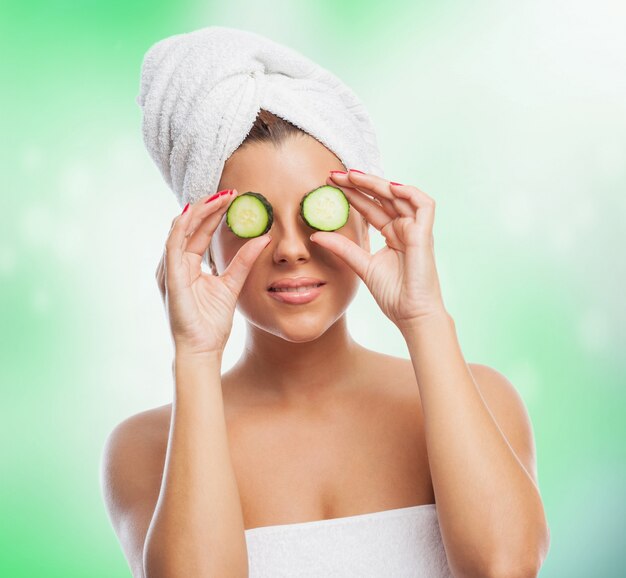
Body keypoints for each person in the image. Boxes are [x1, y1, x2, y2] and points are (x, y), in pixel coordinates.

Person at [101, 30, 550, 578]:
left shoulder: (483, 397)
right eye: (254, 218)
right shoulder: (145, 448)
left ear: (367, 219)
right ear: (205, 242)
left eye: (321, 210)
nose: (291, 248)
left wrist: (425, 319)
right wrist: (194, 356)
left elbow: (503, 568)